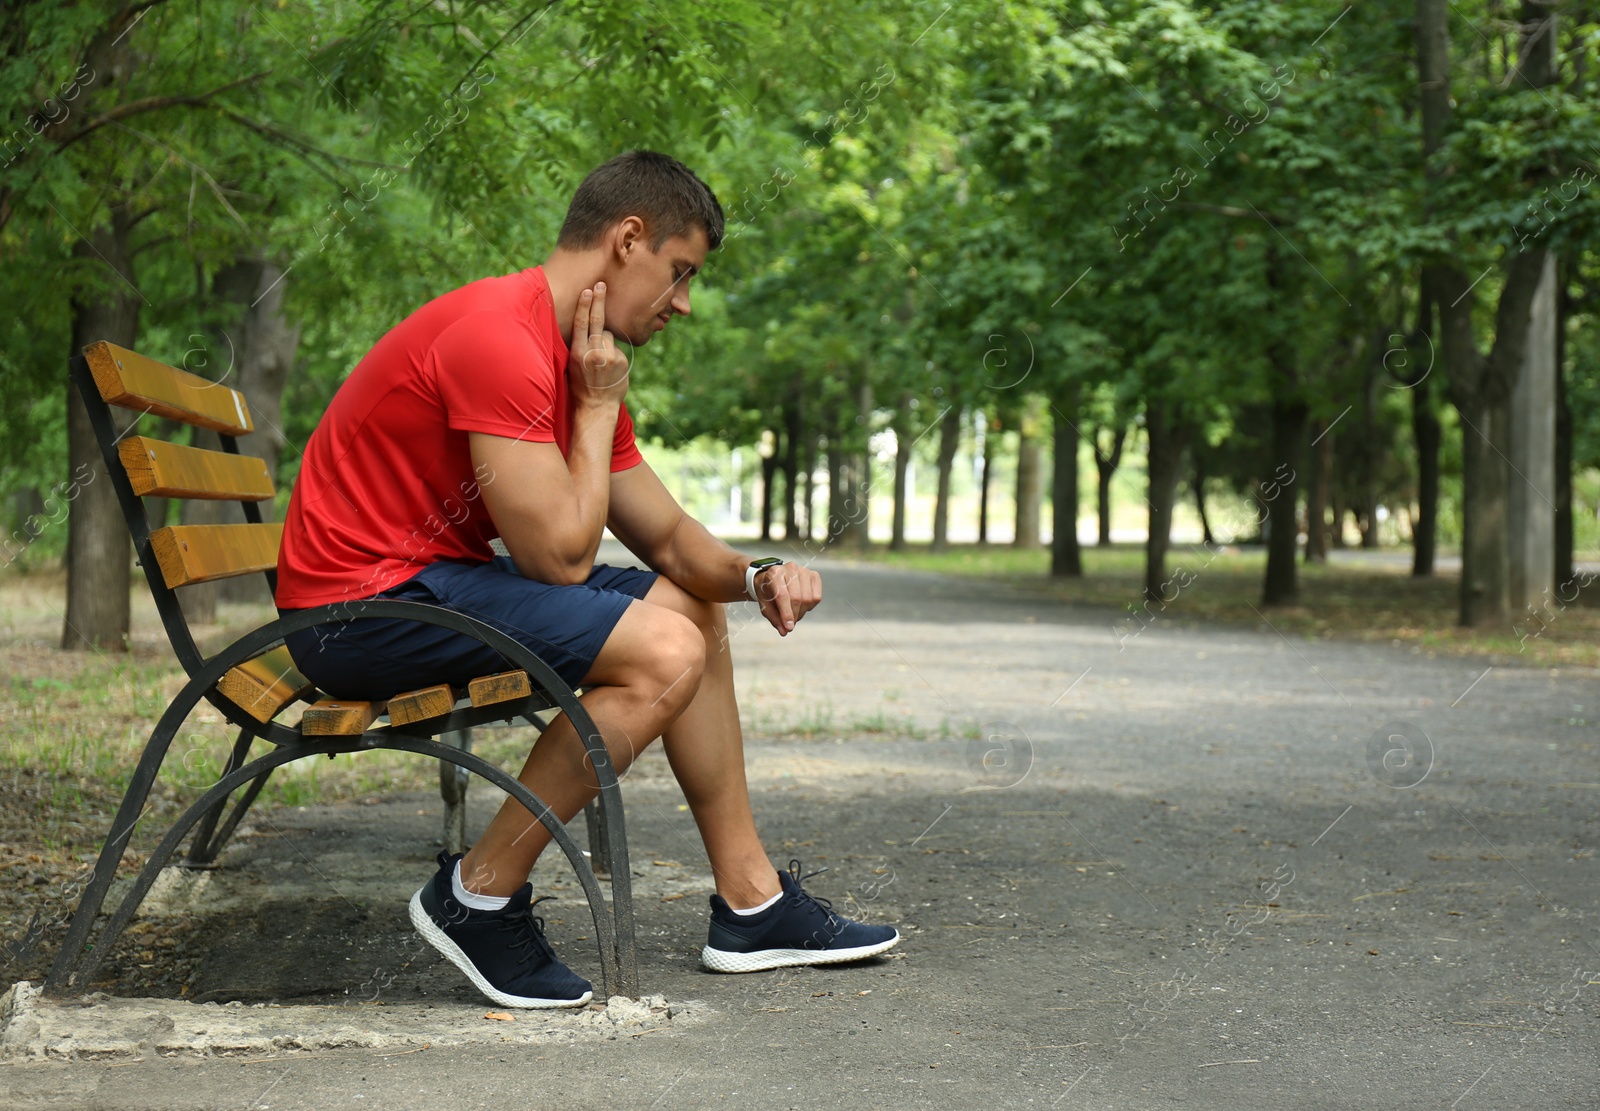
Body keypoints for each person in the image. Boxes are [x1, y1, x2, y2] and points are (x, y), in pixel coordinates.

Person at [274, 150, 899, 1008]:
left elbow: (673, 541)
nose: (683, 301)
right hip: (355, 610)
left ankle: (753, 904)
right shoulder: (502, 337)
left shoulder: (570, 352)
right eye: (679, 273)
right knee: (664, 650)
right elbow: (559, 561)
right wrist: (597, 407)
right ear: (628, 238)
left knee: (689, 603)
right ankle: (477, 895)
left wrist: (755, 573)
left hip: (425, 584)